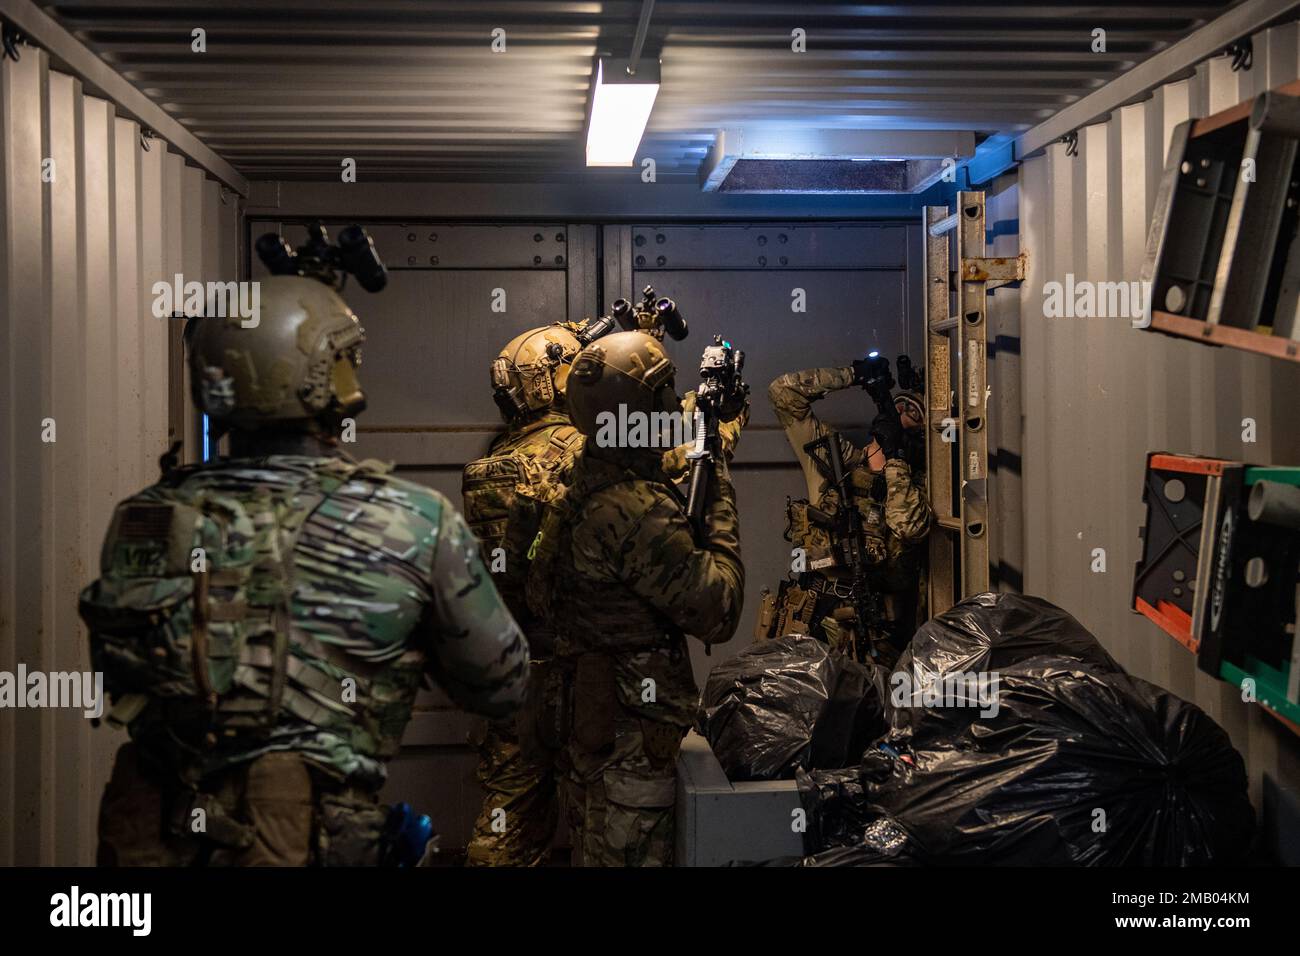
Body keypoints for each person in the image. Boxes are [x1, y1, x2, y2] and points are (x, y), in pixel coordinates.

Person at [79, 272, 529, 866]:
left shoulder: (146, 518)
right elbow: (502, 685)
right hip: (303, 839)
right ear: (326, 375)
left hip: (152, 837)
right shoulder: (410, 518)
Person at [461, 320, 747, 866]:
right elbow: (719, 610)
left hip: (557, 694)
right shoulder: (630, 504)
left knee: (533, 829)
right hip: (624, 721)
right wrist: (718, 465)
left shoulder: (552, 472)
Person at [763, 359, 931, 664]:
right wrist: (854, 375)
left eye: (915, 414)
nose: (902, 415)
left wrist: (896, 460)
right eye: (899, 407)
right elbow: (783, 393)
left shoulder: (915, 487)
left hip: (870, 635)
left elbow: (908, 526)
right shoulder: (834, 458)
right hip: (811, 620)